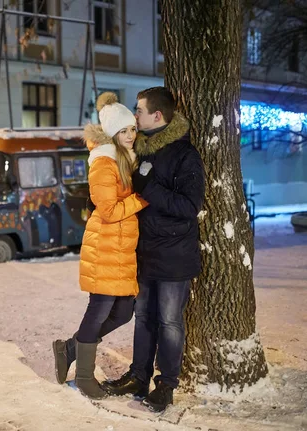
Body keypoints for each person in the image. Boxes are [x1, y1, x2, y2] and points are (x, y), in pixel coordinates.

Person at [101, 87, 205, 412]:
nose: (135, 116)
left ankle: (166, 386)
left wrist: (151, 188)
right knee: (143, 317)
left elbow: (190, 206)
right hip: (145, 252)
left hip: (175, 255)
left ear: (157, 116)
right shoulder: (141, 151)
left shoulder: (185, 155)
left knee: (170, 321)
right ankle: (138, 376)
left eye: (139, 111)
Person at [52, 92, 148, 399]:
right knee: (100, 309)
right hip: (106, 245)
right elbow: (107, 210)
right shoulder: (104, 163)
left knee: (123, 313)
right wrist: (140, 199)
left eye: (133, 129)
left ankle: (69, 348)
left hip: (121, 248)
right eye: (124, 131)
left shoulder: (125, 160)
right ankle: (83, 377)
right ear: (112, 134)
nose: (131, 135)